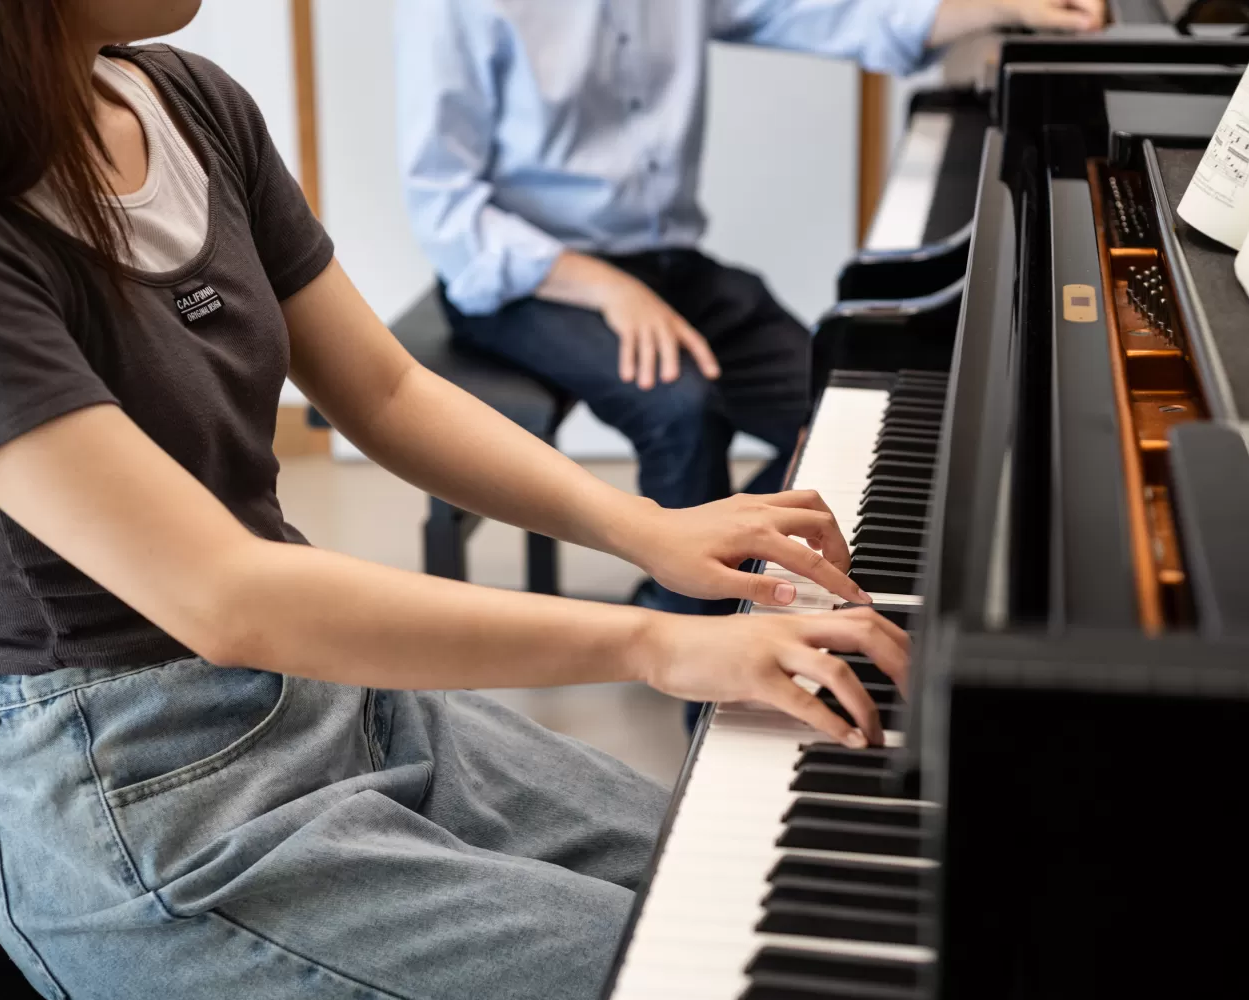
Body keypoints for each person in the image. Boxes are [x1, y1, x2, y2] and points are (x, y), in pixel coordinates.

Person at [0, 1, 909, 1000]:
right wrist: (655, 642)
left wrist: (648, 531)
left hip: (320, 696)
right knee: (708, 996)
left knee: (737, 882)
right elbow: (227, 596)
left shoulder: (186, 102)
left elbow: (383, 389)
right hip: (145, 798)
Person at [397, 0, 1105, 616]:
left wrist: (992, 4)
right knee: (680, 407)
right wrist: (606, 286)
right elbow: (446, 208)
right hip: (527, 276)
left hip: (668, 262)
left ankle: (702, 581)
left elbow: (825, 9)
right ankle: (693, 656)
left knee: (841, 396)